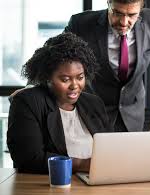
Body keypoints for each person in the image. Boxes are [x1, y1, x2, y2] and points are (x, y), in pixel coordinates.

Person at [64, 0, 150, 132]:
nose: (124, 22)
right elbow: (57, 58)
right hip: (92, 111)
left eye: (132, 15)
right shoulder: (80, 23)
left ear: (141, 9)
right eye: (117, 13)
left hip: (133, 112)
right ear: (108, 3)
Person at [7, 33, 113, 174]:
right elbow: (29, 158)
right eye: (65, 79)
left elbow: (109, 150)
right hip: (48, 184)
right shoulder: (28, 102)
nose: (75, 85)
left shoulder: (93, 103)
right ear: (47, 77)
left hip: (93, 181)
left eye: (80, 77)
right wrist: (82, 164)